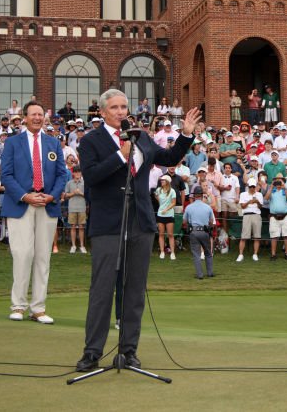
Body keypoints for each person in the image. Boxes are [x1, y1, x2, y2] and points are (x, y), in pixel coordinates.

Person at [75, 89, 200, 372]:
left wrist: (186, 134)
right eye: (115, 107)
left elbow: (168, 158)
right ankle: (92, 352)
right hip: (108, 224)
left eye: (124, 106)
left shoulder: (140, 135)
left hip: (140, 222)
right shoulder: (91, 141)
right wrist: (120, 156)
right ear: (103, 112)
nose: (121, 112)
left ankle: (128, 351)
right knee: (102, 290)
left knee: (134, 292)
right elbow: (92, 177)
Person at [0, 101, 70, 324]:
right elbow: (7, 176)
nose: (38, 118)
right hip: (22, 203)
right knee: (22, 255)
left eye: (41, 114)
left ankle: (38, 308)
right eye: (33, 114)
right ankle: (18, 305)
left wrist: (52, 195)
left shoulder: (53, 143)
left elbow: (61, 174)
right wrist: (25, 196)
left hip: (46, 204)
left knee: (43, 257)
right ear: (25, 117)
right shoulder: (12, 143)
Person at [183, 186, 216, 279]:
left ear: (194, 196)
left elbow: (184, 222)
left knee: (196, 254)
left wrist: (190, 222)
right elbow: (211, 222)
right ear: (202, 195)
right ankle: (210, 273)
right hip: (205, 232)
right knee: (208, 253)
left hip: (194, 231)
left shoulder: (189, 207)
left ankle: (200, 274)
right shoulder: (208, 207)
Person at [267, 176, 287, 261]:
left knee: (286, 235)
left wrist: (284, 188)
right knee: (274, 236)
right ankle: (273, 254)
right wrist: (271, 187)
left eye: (280, 181)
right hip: (274, 216)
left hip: (285, 216)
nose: (278, 183)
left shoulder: (285, 190)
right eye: (276, 181)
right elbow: (266, 198)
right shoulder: (272, 191)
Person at [63, 165, 88, 254]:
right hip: (72, 208)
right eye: (76, 172)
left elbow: (88, 195)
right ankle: (73, 246)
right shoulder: (69, 183)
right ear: (73, 173)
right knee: (72, 227)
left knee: (81, 227)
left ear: (81, 173)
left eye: (79, 172)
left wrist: (80, 193)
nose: (77, 173)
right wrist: (73, 193)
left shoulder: (85, 183)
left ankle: (82, 246)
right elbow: (65, 195)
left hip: (82, 208)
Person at [155, 174, 177, 260]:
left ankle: (172, 252)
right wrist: (162, 206)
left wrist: (166, 209)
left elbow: (174, 203)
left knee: (170, 234)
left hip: (169, 215)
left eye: (163, 180)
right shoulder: (158, 190)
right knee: (161, 234)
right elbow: (156, 196)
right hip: (160, 214)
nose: (161, 181)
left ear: (167, 182)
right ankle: (162, 252)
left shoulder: (172, 191)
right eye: (161, 180)